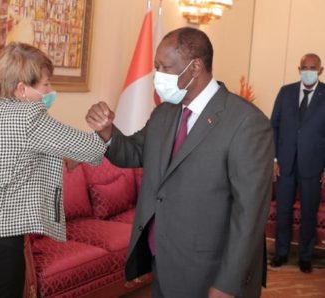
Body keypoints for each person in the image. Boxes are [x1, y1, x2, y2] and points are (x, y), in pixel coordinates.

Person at [86, 27, 274, 298]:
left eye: (165, 67)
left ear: (195, 66)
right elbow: (134, 152)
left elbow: (250, 213)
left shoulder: (247, 122)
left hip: (211, 270)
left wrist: (228, 284)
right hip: (162, 258)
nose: (157, 76)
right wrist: (107, 131)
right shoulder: (165, 112)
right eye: (155, 67)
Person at [0, 42, 107, 298]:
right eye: (46, 84)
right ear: (21, 89)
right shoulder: (29, 117)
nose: (51, 90)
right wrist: (106, 129)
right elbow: (91, 148)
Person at [270, 53, 325, 273]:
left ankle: (305, 256)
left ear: (320, 71)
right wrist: (274, 158)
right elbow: (273, 125)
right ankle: (281, 253)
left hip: (314, 165)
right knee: (283, 210)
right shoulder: (285, 92)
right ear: (299, 68)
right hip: (284, 163)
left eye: (313, 67)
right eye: (305, 67)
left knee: (309, 212)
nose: (309, 70)